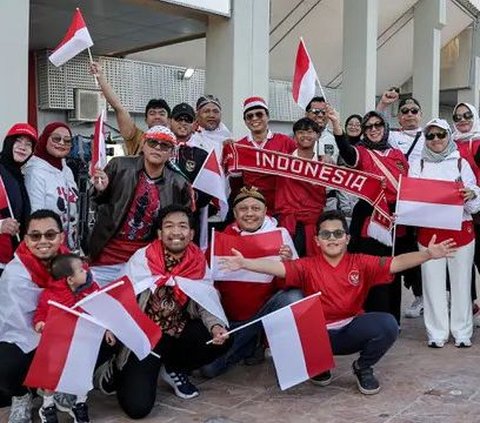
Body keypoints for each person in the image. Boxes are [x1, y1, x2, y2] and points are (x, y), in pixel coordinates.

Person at [219, 210, 456, 395]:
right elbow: (277, 267)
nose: (332, 239)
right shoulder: (307, 265)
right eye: (325, 234)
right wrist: (245, 263)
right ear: (317, 240)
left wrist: (427, 254)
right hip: (315, 337)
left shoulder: (360, 262)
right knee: (289, 307)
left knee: (387, 324)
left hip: (349, 331)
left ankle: (363, 367)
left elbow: (396, 262)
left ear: (347, 238)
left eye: (337, 233)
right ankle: (319, 366)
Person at [94, 205, 231, 419]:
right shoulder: (143, 258)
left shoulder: (198, 262)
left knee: (219, 338)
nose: (176, 232)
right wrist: (111, 325)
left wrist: (215, 326)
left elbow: (206, 300)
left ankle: (174, 367)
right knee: (137, 408)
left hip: (176, 331)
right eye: (169, 226)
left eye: (182, 226)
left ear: (192, 233)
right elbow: (120, 294)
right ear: (159, 233)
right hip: (145, 338)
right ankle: (119, 367)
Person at [202, 187, 303, 377]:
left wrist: (287, 266)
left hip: (262, 316)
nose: (249, 213)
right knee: (208, 370)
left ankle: (258, 342)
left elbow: (289, 287)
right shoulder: (220, 239)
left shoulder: (280, 236)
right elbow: (208, 287)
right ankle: (247, 344)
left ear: (265, 212)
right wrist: (215, 324)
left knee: (294, 296)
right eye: (243, 208)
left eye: (256, 208)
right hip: (229, 320)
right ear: (234, 213)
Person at [328, 107, 409, 325]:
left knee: (393, 268)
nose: (373, 130)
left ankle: (393, 320)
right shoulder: (362, 152)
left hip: (395, 216)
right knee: (373, 268)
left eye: (377, 125)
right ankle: (375, 318)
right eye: (368, 127)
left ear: (385, 127)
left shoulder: (398, 154)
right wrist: (337, 126)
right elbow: (346, 152)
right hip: (369, 217)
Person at [89, 126, 193, 286]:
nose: (158, 147)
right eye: (153, 142)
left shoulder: (179, 183)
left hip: (144, 261)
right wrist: (99, 190)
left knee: (133, 307)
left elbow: (184, 221)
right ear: (143, 145)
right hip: (106, 256)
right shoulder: (119, 166)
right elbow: (96, 201)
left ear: (171, 152)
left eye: (164, 145)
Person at [409, 118, 480, 348]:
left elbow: (474, 199)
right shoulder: (418, 164)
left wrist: (471, 194)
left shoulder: (461, 164)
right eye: (430, 136)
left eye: (441, 135)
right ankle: (436, 333)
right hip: (429, 234)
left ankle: (462, 332)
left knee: (461, 283)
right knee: (432, 284)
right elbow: (413, 197)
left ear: (449, 135)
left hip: (461, 231)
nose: (436, 140)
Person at [0, 210, 69, 423]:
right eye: (35, 236)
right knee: (5, 361)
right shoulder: (15, 274)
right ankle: (21, 396)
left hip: (62, 335)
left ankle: (62, 386)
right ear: (26, 240)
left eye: (50, 235)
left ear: (61, 237)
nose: (43, 241)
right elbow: (13, 325)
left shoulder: (73, 265)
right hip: (28, 336)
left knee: (99, 336)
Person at [33, 253, 108, 423]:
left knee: (83, 375)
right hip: (58, 346)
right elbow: (41, 313)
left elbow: (102, 309)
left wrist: (107, 329)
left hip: (83, 343)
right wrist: (40, 323)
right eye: (81, 270)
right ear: (70, 279)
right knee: (51, 376)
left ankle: (80, 404)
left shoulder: (91, 289)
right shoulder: (51, 295)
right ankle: (47, 405)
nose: (86, 272)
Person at [378, 92, 425, 318]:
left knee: (422, 246)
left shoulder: (432, 135)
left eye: (414, 111)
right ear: (399, 118)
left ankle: (423, 294)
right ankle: (416, 293)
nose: (409, 115)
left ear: (421, 115)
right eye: (404, 112)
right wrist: (383, 104)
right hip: (398, 202)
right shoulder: (393, 137)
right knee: (403, 247)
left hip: (423, 201)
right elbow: (374, 127)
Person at [89, 61, 171, 155]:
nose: (157, 116)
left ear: (169, 120)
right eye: (152, 113)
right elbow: (118, 107)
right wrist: (101, 77)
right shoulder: (136, 137)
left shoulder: (177, 143)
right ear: (146, 120)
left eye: (162, 113)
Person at [232, 97, 296, 212]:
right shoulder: (239, 147)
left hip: (281, 207)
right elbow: (236, 183)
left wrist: (324, 158)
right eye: (249, 116)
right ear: (245, 121)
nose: (254, 118)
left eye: (259, 114)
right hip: (253, 208)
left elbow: (303, 165)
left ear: (268, 117)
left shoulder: (285, 141)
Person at [275, 117, 327, 257]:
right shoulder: (282, 162)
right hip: (289, 223)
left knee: (314, 267)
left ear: (317, 135)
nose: (305, 136)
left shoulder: (325, 165)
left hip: (315, 223)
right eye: (301, 132)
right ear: (295, 136)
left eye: (310, 132)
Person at [24, 123, 79, 251]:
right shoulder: (34, 171)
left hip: (68, 245)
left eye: (67, 140)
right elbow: (36, 217)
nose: (61, 143)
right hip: (46, 246)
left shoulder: (67, 171)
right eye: (56, 138)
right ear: (44, 140)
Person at [451, 102, 480, 325]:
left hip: (478, 207)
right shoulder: (448, 142)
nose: (462, 120)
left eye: (467, 115)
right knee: (463, 261)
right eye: (458, 116)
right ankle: (467, 305)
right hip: (457, 212)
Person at [0, 123, 38, 273]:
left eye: (29, 144)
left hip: (12, 261)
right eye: (18, 141)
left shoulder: (19, 176)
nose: (23, 147)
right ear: (9, 143)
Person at [187, 95, 232, 159]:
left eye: (215, 111)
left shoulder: (228, 139)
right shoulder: (190, 137)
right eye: (206, 111)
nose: (211, 115)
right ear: (197, 115)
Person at [305, 96, 339, 163]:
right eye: (315, 111)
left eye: (324, 112)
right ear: (306, 114)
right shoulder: (296, 137)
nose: (320, 115)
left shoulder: (337, 139)